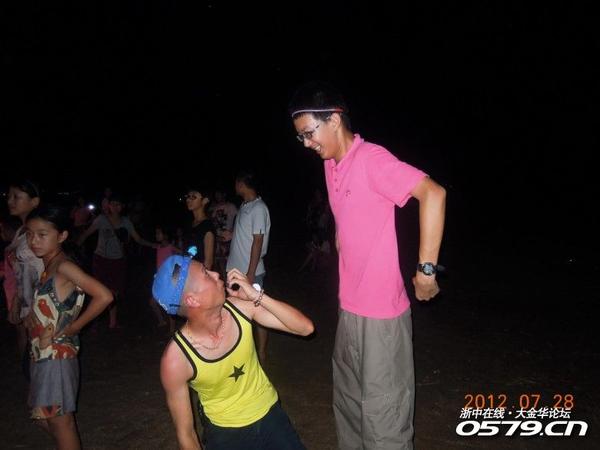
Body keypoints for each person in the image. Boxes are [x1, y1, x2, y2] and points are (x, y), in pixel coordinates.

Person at [289, 81, 446, 449]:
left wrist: (426, 271)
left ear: (334, 119)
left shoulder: (371, 159)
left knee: (383, 420)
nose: (307, 143)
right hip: (349, 309)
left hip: (382, 316)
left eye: (309, 133)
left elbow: (433, 194)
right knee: (348, 408)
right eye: (301, 137)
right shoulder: (331, 164)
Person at [153, 250, 313, 450]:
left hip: (271, 416)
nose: (216, 274)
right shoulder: (177, 359)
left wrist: (257, 296)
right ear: (192, 300)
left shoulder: (239, 308)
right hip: (226, 435)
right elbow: (186, 434)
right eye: (206, 274)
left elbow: (305, 328)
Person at [24, 204, 113, 450]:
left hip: (57, 357)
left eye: (42, 234)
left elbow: (104, 296)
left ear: (62, 236)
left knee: (61, 423)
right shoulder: (49, 267)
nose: (34, 240)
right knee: (44, 417)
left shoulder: (64, 266)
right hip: (43, 354)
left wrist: (75, 328)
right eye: (29, 234)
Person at [77, 192, 157, 329]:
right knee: (99, 290)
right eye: (113, 204)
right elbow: (86, 233)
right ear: (109, 205)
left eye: (118, 204)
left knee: (115, 291)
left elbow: (138, 239)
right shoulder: (101, 219)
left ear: (122, 207)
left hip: (117, 260)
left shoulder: (126, 222)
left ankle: (112, 321)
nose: (115, 207)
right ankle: (94, 319)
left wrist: (154, 245)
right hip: (100, 259)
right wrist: (74, 249)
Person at [226, 171, 271, 363]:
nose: (235, 186)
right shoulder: (244, 206)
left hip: (250, 272)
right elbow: (246, 235)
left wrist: (250, 274)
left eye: (236, 182)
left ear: (242, 184)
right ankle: (242, 351)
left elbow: (258, 242)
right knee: (236, 313)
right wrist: (231, 235)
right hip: (235, 270)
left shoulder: (259, 208)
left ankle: (261, 352)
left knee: (258, 313)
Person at [5, 179, 44, 369]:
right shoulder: (22, 230)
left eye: (16, 197)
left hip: (39, 302)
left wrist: (23, 304)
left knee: (39, 354)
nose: (10, 201)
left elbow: (40, 270)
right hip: (28, 299)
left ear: (34, 202)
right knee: (31, 352)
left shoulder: (39, 231)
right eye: (9, 196)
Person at [149, 224, 178, 333]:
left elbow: (181, 258)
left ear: (165, 235)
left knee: (170, 303)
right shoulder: (158, 247)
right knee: (152, 303)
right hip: (159, 279)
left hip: (170, 280)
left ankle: (172, 328)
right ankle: (162, 321)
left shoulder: (171, 247)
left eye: (158, 233)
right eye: (156, 233)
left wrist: (175, 277)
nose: (156, 235)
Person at [182, 186, 216, 270]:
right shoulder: (189, 224)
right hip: (186, 271)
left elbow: (208, 262)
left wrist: (201, 278)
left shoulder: (207, 226)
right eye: (188, 196)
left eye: (193, 197)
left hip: (197, 274)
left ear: (205, 201)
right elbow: (185, 254)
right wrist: (177, 274)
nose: (188, 200)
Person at [209, 189, 238, 277]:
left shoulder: (231, 206)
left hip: (229, 240)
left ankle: (231, 282)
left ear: (224, 194)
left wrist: (233, 232)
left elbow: (238, 220)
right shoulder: (214, 208)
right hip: (217, 240)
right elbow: (211, 223)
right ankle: (224, 282)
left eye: (219, 194)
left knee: (230, 266)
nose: (217, 197)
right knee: (219, 265)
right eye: (216, 195)